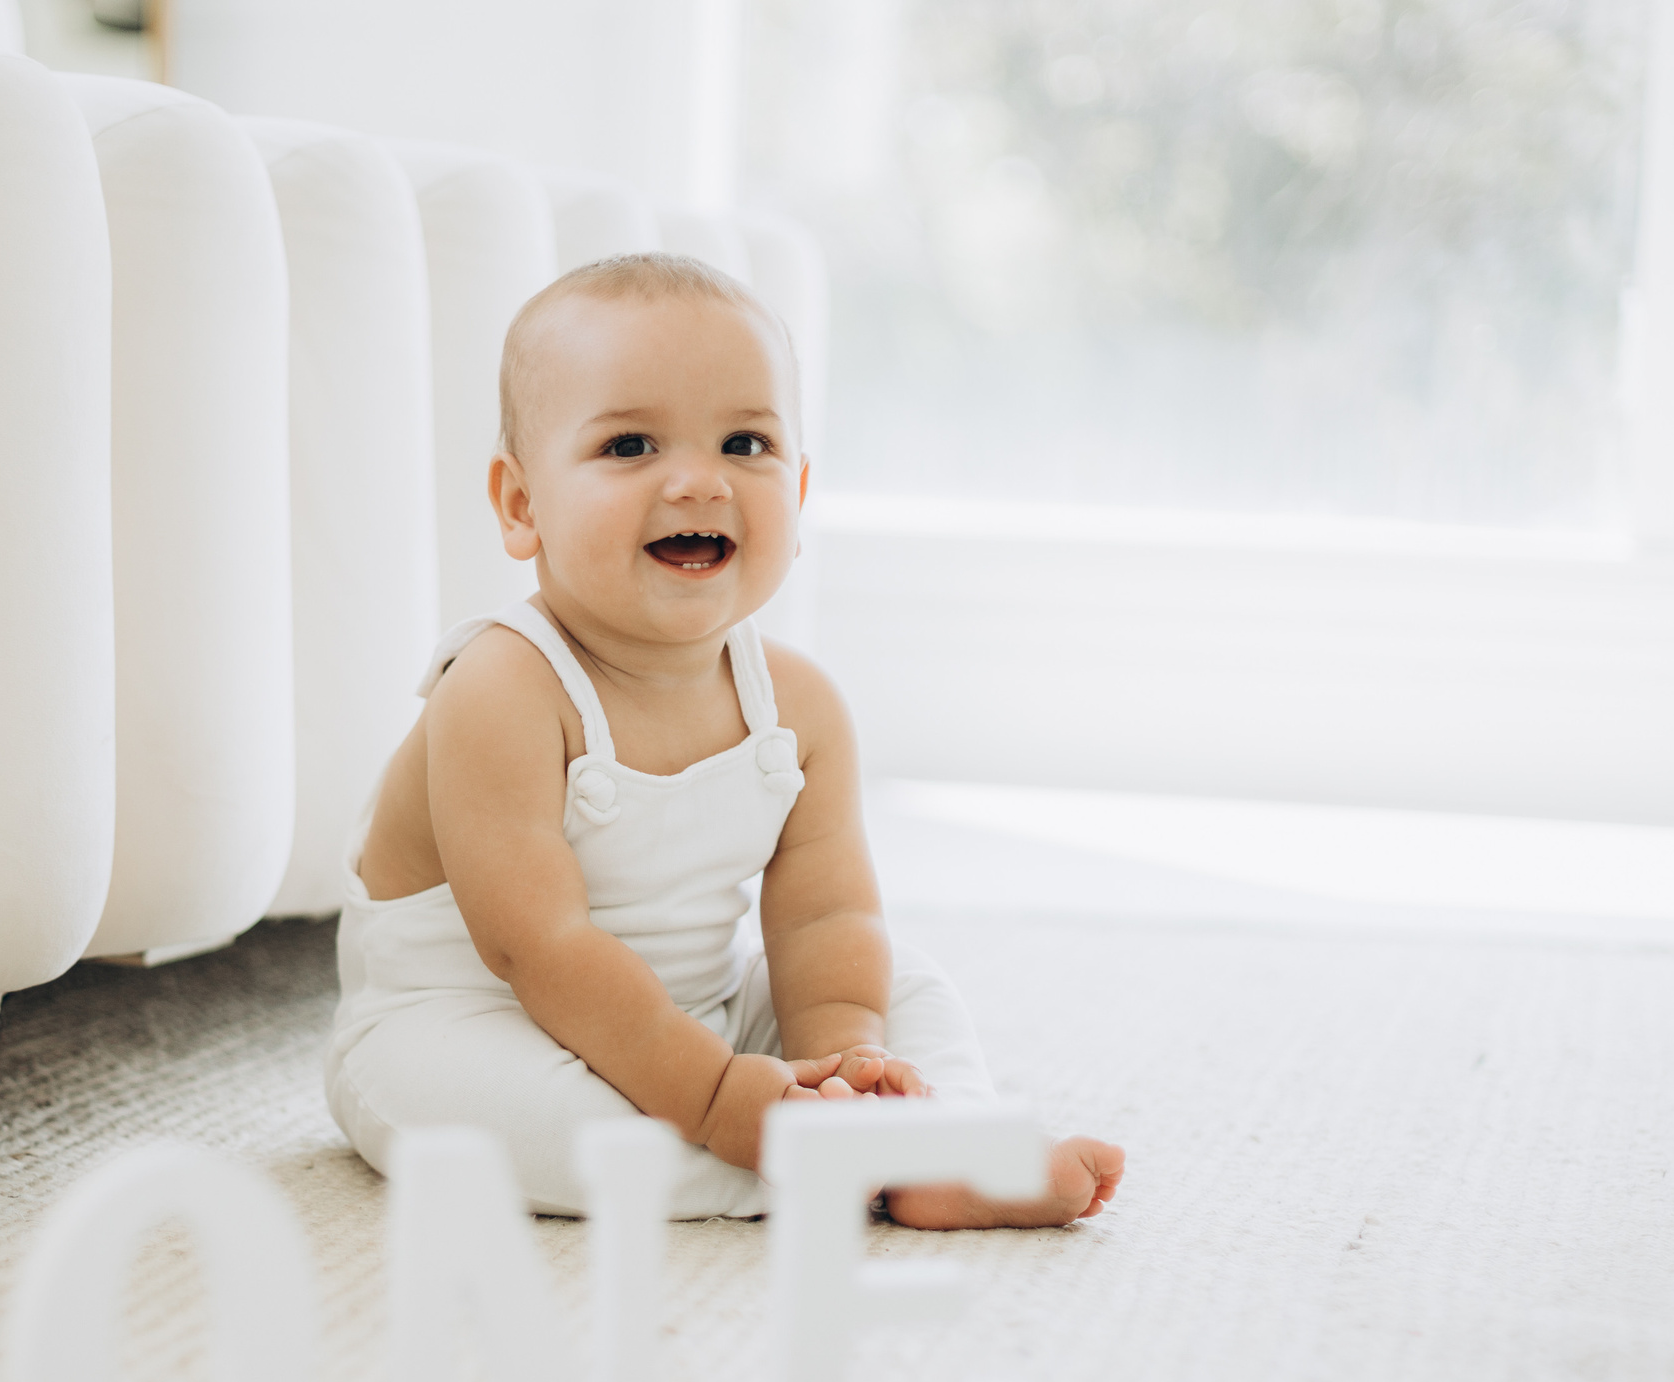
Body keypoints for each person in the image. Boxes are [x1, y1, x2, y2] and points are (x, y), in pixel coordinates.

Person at [323, 253, 1124, 1227]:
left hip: (700, 1018)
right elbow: (539, 946)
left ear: (801, 488)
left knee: (899, 976)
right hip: (471, 1024)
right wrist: (713, 1099)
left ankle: (896, 1131)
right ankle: (858, 1165)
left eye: (745, 443)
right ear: (521, 504)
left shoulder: (798, 706)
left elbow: (823, 924)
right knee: (539, 1133)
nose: (699, 481)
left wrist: (846, 1058)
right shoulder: (500, 689)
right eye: (629, 447)